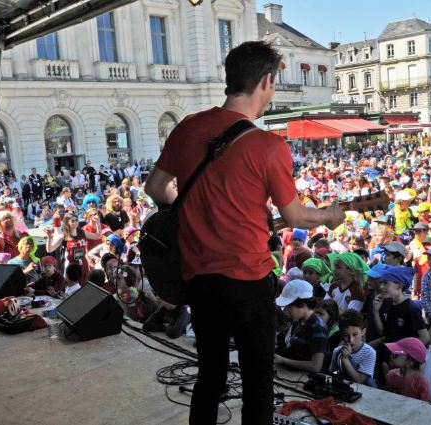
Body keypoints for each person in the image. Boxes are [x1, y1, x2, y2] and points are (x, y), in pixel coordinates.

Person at [143, 41, 344, 424]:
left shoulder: (187, 127)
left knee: (210, 375)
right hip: (248, 281)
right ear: (267, 80)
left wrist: (189, 210)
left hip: (198, 279)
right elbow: (295, 216)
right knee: (257, 382)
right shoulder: (267, 145)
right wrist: (329, 216)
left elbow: (155, 189)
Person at [274, 279, 328, 373]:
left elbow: (316, 366)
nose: (286, 311)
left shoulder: (317, 327)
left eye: (289, 307)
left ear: (302, 304)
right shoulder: (298, 322)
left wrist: (283, 360)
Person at [329, 309, 376, 387]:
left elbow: (360, 380)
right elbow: (333, 373)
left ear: (363, 332)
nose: (351, 340)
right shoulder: (337, 351)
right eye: (346, 335)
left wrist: (345, 359)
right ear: (341, 334)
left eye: (355, 334)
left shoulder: (369, 352)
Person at [383, 337, 431, 403]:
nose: (390, 356)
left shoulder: (421, 381)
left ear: (410, 362)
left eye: (395, 355)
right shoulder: (391, 375)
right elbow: (386, 398)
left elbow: (426, 405)